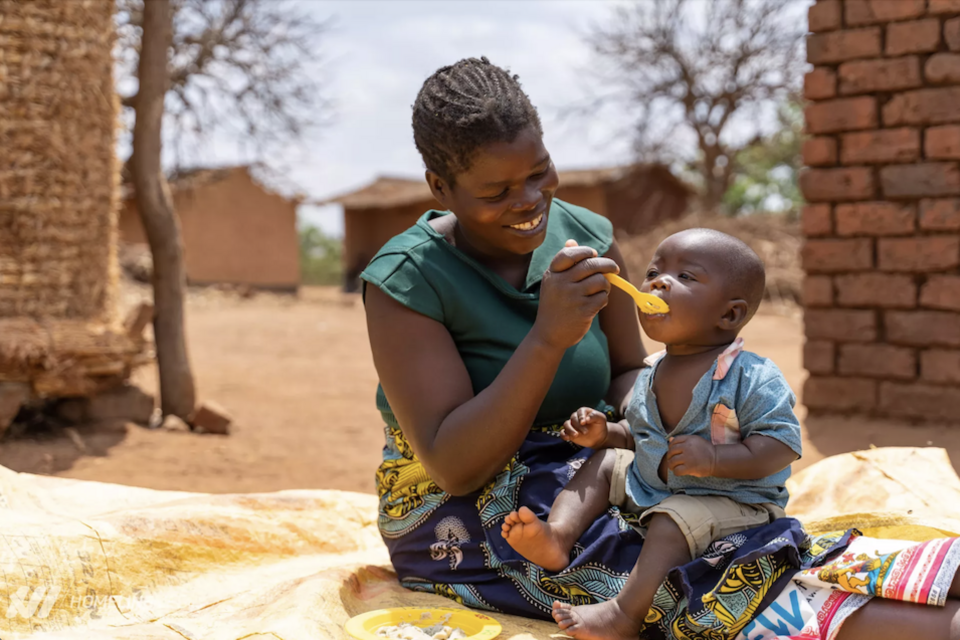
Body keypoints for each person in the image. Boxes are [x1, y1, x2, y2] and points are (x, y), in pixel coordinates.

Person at [362, 56, 960, 640]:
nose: (529, 200)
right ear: (440, 187)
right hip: (461, 509)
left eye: (539, 172)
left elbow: (628, 373)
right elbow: (454, 465)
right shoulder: (407, 281)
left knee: (716, 517)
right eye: (497, 190)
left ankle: (910, 583)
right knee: (660, 565)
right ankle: (872, 622)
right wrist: (548, 338)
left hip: (592, 462)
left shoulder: (586, 238)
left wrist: (675, 428)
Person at [502, 229, 802, 639]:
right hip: (656, 483)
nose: (658, 282)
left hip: (734, 501)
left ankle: (623, 615)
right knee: (607, 462)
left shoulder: (751, 376)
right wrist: (606, 433)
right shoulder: (653, 370)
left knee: (671, 520)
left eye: (687, 277)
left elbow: (781, 445)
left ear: (729, 315)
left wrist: (715, 460)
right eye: (654, 272)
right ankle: (557, 536)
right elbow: (640, 434)